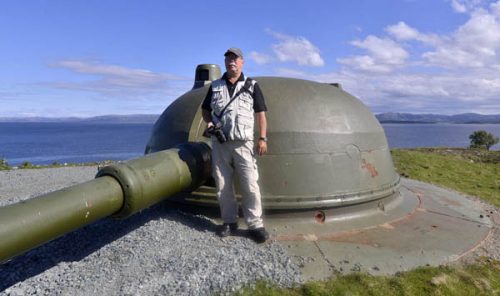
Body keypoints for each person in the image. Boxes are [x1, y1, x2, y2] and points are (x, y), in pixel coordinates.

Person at [201, 47, 269, 243]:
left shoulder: (252, 85)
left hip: (243, 143)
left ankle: (255, 224)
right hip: (220, 143)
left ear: (242, 62)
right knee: (223, 185)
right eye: (229, 59)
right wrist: (210, 123)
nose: (232, 62)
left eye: (235, 59)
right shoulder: (215, 86)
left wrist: (262, 138)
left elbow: (261, 114)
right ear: (225, 63)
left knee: (250, 184)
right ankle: (229, 222)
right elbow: (206, 110)